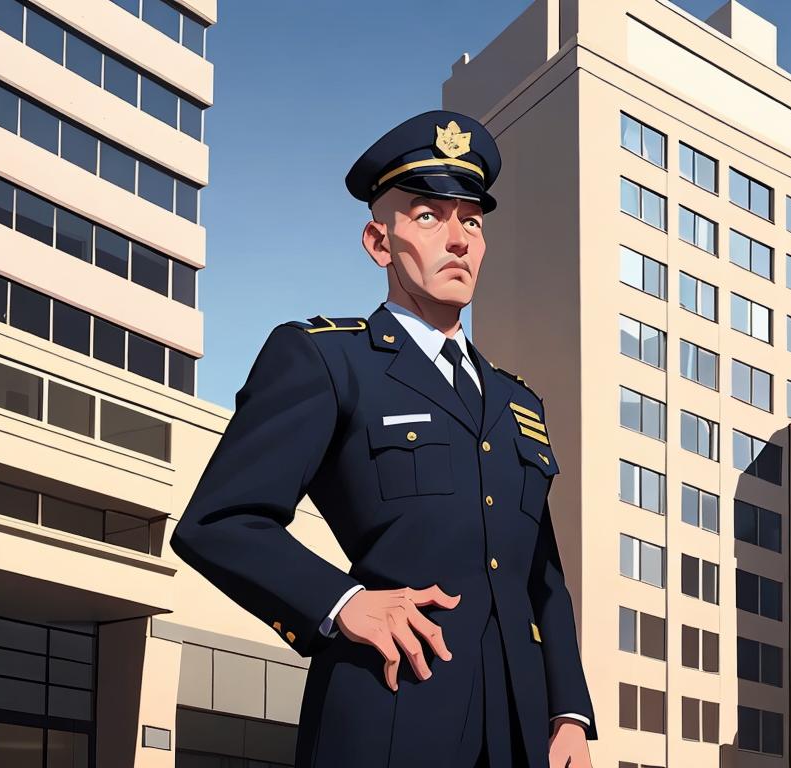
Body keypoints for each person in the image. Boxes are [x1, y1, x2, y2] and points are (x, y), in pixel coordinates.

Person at [170, 110, 596, 767]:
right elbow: (220, 521)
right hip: (390, 709)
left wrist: (567, 712)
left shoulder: (518, 402)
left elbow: (541, 574)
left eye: (472, 222)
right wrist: (341, 604)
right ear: (379, 242)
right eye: (429, 216)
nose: (457, 239)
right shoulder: (328, 361)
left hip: (519, 730)